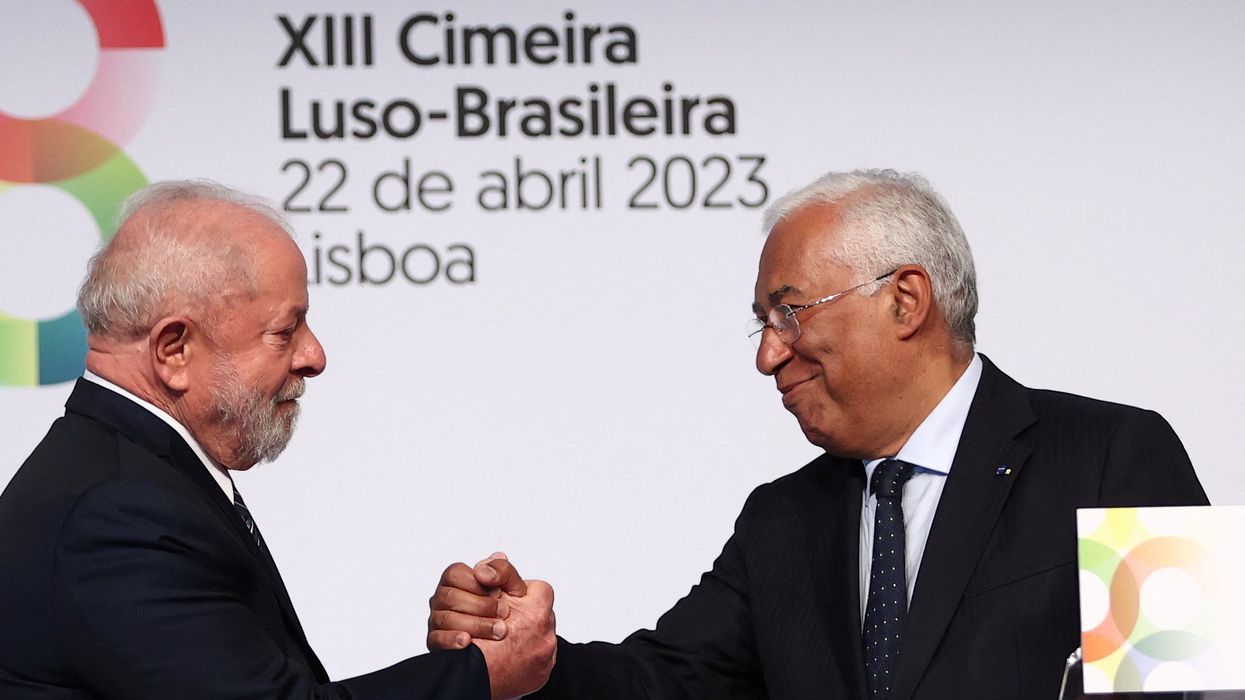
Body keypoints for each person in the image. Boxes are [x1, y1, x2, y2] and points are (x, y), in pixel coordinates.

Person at [427, 169, 1208, 699]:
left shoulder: (1116, 456)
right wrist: (533, 660)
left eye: (789, 312)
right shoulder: (781, 521)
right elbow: (665, 683)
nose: (768, 354)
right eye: (762, 326)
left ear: (905, 301)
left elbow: (1194, 685)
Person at [0, 181, 555, 699]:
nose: (314, 356)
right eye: (285, 332)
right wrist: (480, 675)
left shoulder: (130, 474)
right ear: (173, 350)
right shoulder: (119, 513)